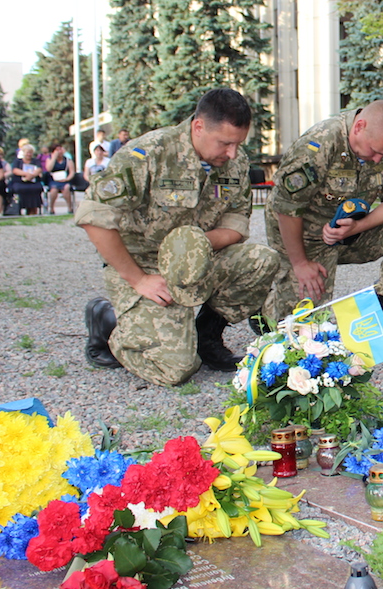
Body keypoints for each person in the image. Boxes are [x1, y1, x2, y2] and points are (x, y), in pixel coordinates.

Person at [74, 88, 280, 387]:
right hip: (145, 267)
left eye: (238, 143)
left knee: (261, 260)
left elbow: (236, 226)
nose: (233, 153)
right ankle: (109, 322)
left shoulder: (234, 162)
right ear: (198, 127)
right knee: (176, 369)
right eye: (225, 143)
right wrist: (137, 280)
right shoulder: (150, 153)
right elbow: (94, 217)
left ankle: (207, 337)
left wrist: (191, 247)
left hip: (198, 260)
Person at [264, 100, 383, 355]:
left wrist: (357, 227)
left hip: (350, 232)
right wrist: (299, 264)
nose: (378, 159)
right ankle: (267, 306)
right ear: (359, 127)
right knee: (304, 337)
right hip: (305, 239)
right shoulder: (319, 144)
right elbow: (286, 207)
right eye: (374, 151)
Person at [11, 145, 45, 215]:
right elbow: (15, 170)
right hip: (20, 182)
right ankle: (19, 209)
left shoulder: (36, 161)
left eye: (30, 152)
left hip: (33, 181)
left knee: (36, 188)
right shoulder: (18, 161)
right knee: (19, 188)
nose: (29, 154)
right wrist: (26, 174)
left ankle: (33, 210)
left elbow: (39, 169)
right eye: (27, 152)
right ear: (23, 153)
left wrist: (32, 175)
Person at [44, 144, 76, 214]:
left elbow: (72, 172)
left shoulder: (68, 160)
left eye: (60, 149)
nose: (60, 151)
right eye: (57, 150)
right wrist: (54, 158)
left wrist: (67, 179)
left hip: (65, 180)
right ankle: (51, 208)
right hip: (54, 180)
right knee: (54, 190)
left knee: (66, 188)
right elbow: (49, 169)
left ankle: (70, 208)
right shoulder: (49, 159)